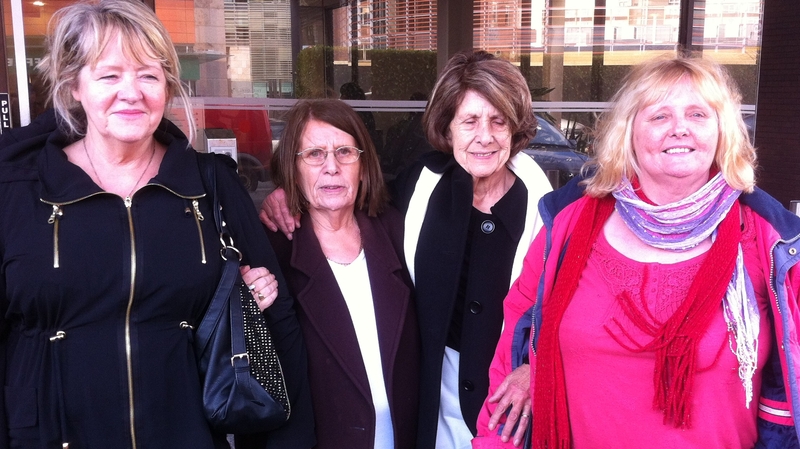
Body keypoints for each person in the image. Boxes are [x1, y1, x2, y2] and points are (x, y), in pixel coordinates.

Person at [0, 1, 313, 448]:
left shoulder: (211, 186)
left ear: (168, 85)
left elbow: (276, 324)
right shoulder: (18, 189)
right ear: (74, 86)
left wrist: (244, 295)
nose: (132, 92)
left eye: (148, 75)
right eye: (109, 75)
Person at [473, 55, 800, 449]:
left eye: (698, 114)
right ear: (628, 133)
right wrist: (532, 368)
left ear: (722, 131)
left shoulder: (768, 241)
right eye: (659, 116)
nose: (679, 129)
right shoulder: (567, 226)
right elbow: (515, 347)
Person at [261, 51, 553, 449]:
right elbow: (341, 194)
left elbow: (567, 309)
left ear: (515, 129)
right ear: (448, 130)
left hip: (508, 409)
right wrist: (287, 194)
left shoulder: (547, 209)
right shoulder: (422, 187)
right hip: (430, 407)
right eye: (469, 121)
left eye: (498, 121)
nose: (484, 136)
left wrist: (532, 369)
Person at [266, 99, 420, 449]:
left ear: (363, 167)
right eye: (314, 154)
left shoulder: (400, 235)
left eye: (345, 152)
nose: (331, 167)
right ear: (293, 168)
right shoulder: (273, 252)